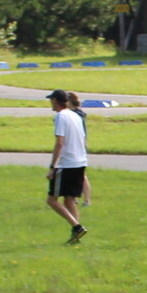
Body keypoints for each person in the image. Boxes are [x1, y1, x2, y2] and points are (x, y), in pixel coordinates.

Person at [45, 89, 89, 244]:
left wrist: (53, 167)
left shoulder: (61, 116)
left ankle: (76, 226)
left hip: (66, 163)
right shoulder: (75, 115)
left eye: (51, 100)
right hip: (80, 161)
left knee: (51, 200)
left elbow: (59, 143)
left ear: (56, 100)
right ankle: (75, 236)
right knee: (69, 200)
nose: (50, 102)